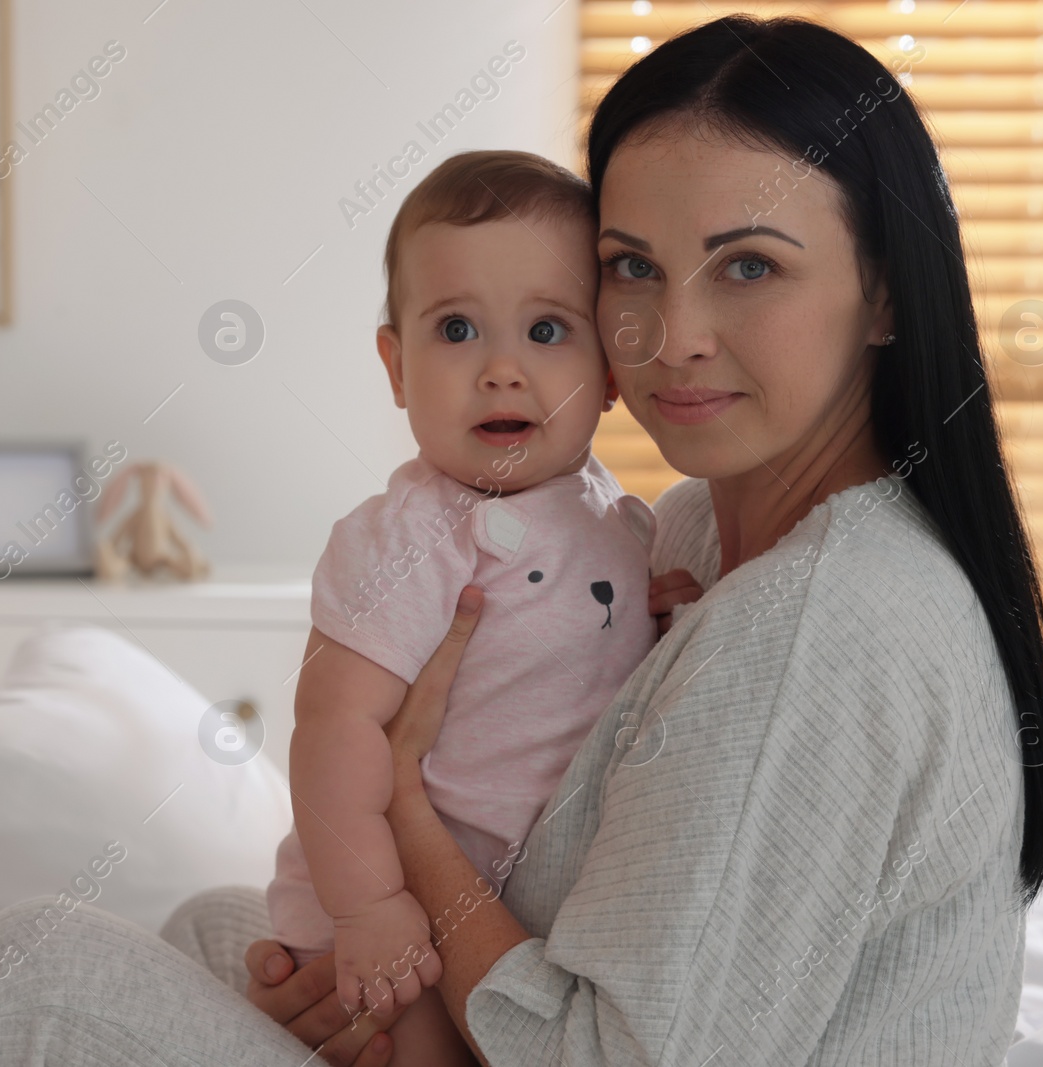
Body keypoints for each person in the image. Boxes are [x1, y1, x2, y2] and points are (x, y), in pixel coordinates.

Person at [0, 15, 1043, 1066]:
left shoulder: (821, 622)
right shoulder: (685, 540)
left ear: (885, 288)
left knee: (42, 971)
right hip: (491, 999)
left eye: (748, 267)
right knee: (217, 924)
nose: (670, 336)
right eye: (628, 266)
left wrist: (401, 798)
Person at [265, 149, 692, 1066]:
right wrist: (368, 905)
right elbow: (332, 725)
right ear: (396, 364)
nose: (502, 369)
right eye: (456, 329)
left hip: (516, 912)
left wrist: (671, 617)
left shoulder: (618, 518)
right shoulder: (413, 536)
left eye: (547, 331)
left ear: (612, 365)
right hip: (394, 909)